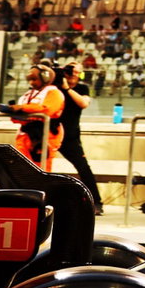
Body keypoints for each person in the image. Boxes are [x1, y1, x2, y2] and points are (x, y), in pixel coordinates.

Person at [56, 64, 102, 212]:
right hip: (51, 133)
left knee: (83, 167)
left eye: (77, 72)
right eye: (70, 70)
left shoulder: (82, 88)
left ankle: (96, 202)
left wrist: (67, 89)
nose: (74, 74)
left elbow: (83, 103)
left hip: (70, 136)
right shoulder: (54, 88)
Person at [3, 63, 65, 169]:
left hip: (45, 136)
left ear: (45, 77)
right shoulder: (28, 94)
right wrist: (13, 112)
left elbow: (47, 109)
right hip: (25, 135)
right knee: (22, 169)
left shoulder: (54, 93)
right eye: (30, 80)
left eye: (34, 79)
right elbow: (22, 115)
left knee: (41, 169)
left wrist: (22, 108)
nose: (32, 83)